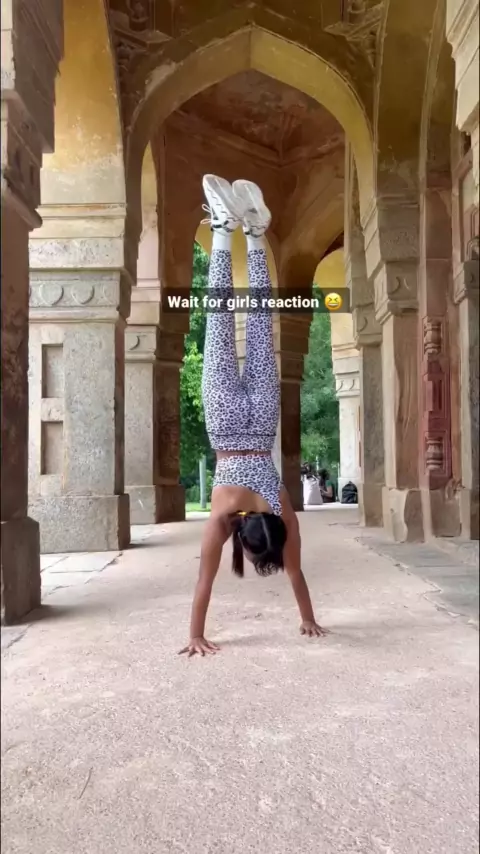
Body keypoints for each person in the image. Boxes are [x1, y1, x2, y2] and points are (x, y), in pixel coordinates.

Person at [179, 175, 328, 657]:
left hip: (261, 426)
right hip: (225, 424)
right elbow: (205, 582)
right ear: (241, 538)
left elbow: (296, 572)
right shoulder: (223, 515)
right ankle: (224, 230)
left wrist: (309, 618)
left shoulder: (279, 509)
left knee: (261, 326)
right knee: (220, 322)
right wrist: (194, 635)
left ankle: (255, 231)